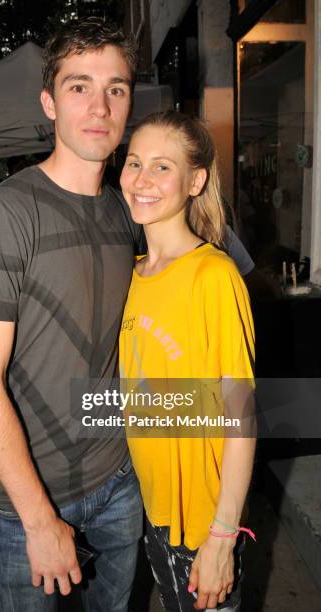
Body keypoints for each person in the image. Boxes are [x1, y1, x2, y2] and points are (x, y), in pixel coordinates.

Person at [0, 18, 255, 612]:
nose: (99, 106)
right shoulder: (5, 210)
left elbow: (208, 373)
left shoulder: (132, 214)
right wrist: (40, 521)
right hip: (32, 503)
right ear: (48, 102)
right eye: (78, 86)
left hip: (123, 487)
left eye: (116, 88)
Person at [119, 111, 256, 611]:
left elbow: (241, 415)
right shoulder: (131, 274)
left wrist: (222, 538)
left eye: (162, 167)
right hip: (152, 509)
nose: (141, 180)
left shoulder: (212, 277)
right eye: (134, 163)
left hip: (201, 522)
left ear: (195, 180)